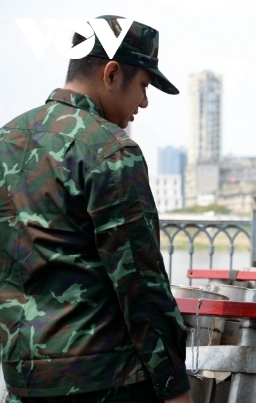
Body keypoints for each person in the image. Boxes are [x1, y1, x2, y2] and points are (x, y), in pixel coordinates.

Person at [0, 16, 192, 403]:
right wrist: (174, 387)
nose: (144, 101)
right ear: (112, 73)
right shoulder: (109, 150)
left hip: (24, 381)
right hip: (106, 384)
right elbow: (141, 283)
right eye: (143, 85)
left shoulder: (7, 139)